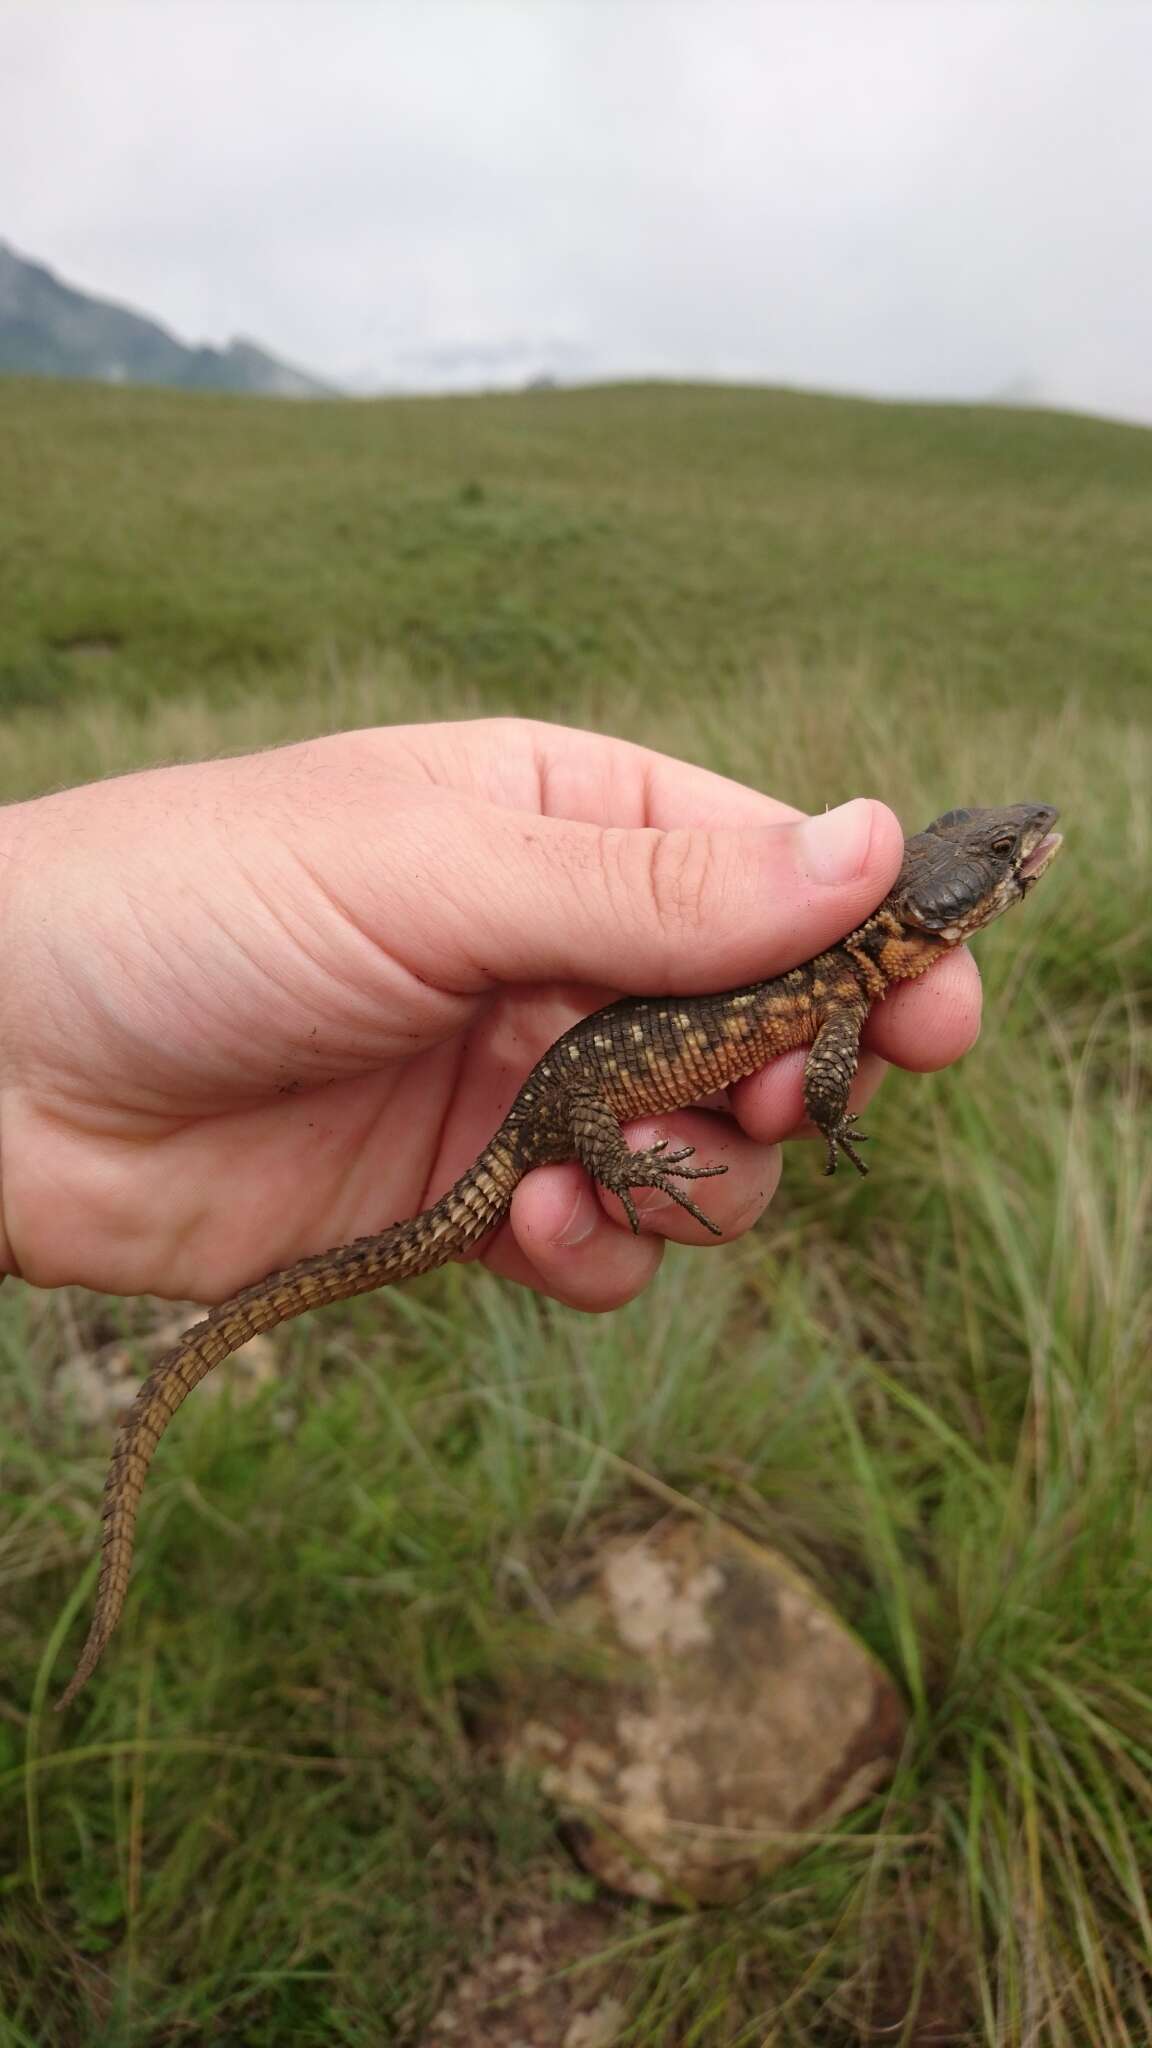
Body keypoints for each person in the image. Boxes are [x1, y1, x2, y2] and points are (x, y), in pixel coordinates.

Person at [0, 718, 980, 1309]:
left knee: (599, 1193)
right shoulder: (840, 983)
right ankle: (622, 1167)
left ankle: (621, 1166)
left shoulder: (841, 978)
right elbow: (814, 1088)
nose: (1014, 861)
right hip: (572, 1101)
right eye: (993, 869)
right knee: (617, 1178)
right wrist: (821, 1122)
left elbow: (809, 1075)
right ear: (922, 925)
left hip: (569, 1090)